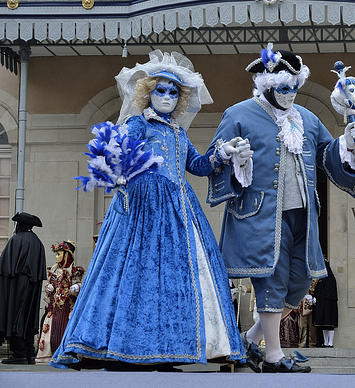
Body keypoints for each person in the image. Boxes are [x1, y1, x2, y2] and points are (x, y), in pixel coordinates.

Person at [51, 50, 250, 370]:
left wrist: (221, 153)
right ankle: (123, 346)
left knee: (175, 279)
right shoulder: (136, 125)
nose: (168, 97)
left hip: (178, 212)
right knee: (135, 274)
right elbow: (114, 156)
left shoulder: (178, 133)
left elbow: (196, 167)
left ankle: (170, 348)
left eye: (174, 92)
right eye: (161, 90)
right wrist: (115, 174)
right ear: (148, 92)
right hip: (141, 208)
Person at [206, 43, 355, 373]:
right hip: (261, 214)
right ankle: (274, 355)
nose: (290, 93)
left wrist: (347, 141)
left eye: (295, 87)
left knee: (301, 281)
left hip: (303, 215)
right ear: (267, 84)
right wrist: (230, 155)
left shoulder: (306, 117)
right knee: (273, 280)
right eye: (283, 88)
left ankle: (248, 340)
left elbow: (326, 155)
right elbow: (212, 161)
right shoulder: (238, 114)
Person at [0, 212, 46, 365]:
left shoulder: (16, 240)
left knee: (16, 315)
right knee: (28, 316)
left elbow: (5, 267)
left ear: (20, 225)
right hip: (32, 287)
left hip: (17, 287)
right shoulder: (38, 242)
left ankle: (19, 353)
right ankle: (28, 353)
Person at [35, 240, 85, 364]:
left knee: (65, 330)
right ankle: (49, 354)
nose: (57, 257)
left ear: (67, 255)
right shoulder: (53, 269)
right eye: (56, 254)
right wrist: (49, 288)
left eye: (59, 254)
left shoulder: (74, 270)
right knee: (50, 333)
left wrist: (76, 287)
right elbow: (49, 285)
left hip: (68, 306)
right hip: (54, 306)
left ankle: (65, 354)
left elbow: (80, 284)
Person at [313, 259, 338, 348]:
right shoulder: (321, 279)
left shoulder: (329, 278)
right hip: (322, 303)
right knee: (323, 324)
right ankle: (326, 342)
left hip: (329, 304)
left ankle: (330, 343)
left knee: (330, 324)